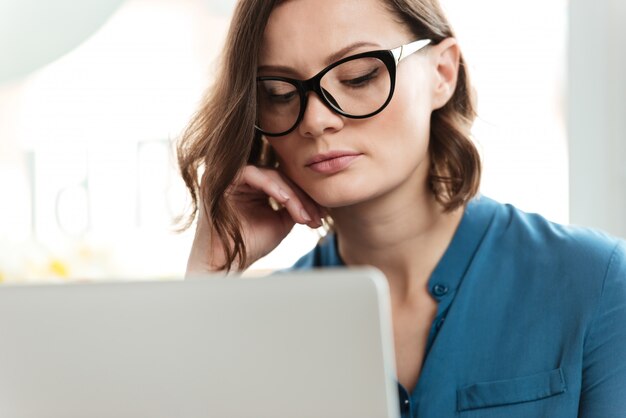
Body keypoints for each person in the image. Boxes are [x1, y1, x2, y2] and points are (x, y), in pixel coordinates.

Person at [177, 0, 626, 416]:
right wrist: (208, 278)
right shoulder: (262, 327)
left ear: (442, 73)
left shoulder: (596, 282)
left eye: (358, 77)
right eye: (278, 93)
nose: (316, 120)